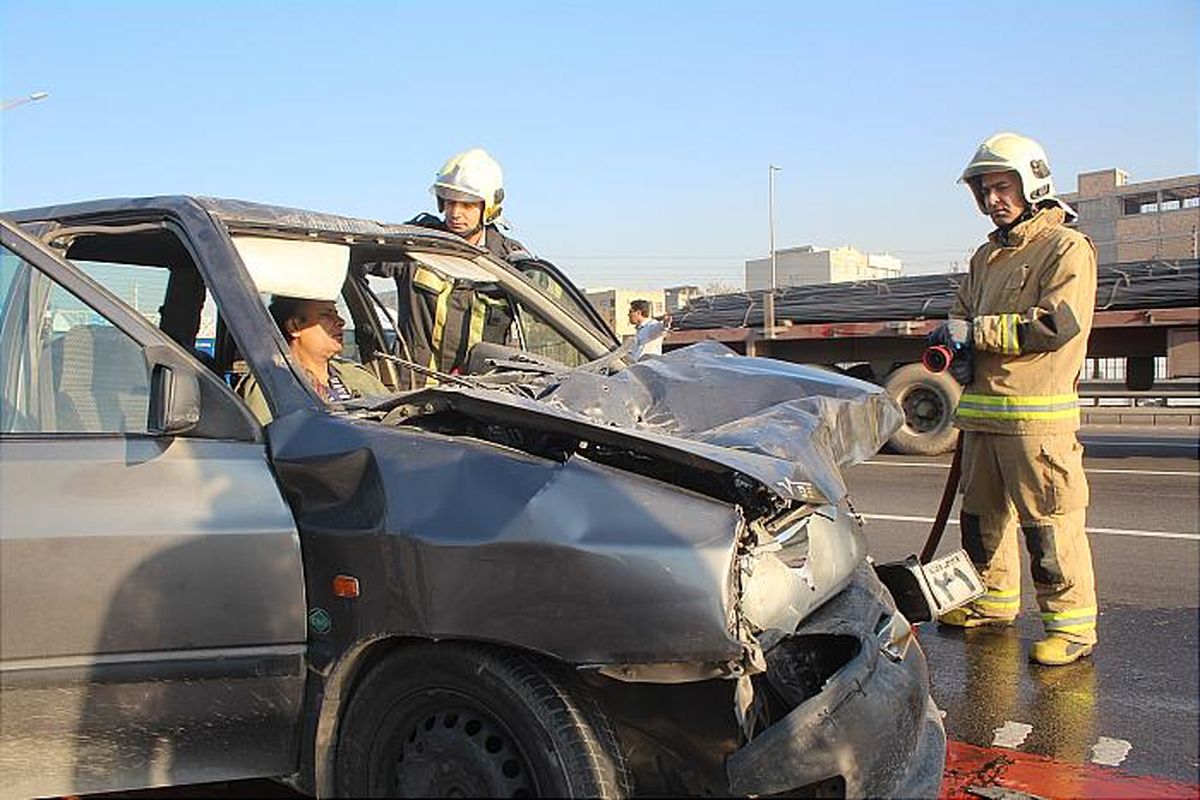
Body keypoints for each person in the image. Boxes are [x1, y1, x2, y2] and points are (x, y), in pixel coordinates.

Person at [934, 132, 1099, 666]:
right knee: (981, 521)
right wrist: (949, 339)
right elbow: (959, 314)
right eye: (983, 192)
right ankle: (991, 604)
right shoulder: (986, 257)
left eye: (1002, 188)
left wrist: (974, 334)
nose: (992, 200)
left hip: (1036, 424)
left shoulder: (1065, 249)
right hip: (983, 418)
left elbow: (1055, 324)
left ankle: (1071, 629)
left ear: (1032, 184)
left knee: (1048, 527)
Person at [240, 295, 388, 423]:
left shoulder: (357, 376)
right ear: (295, 326)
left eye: (336, 313)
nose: (341, 321)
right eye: (327, 315)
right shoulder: (269, 386)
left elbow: (396, 415)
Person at [409, 148, 531, 263]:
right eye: (450, 202)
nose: (455, 214)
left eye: (467, 205)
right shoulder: (415, 243)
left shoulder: (511, 258)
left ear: (488, 210)